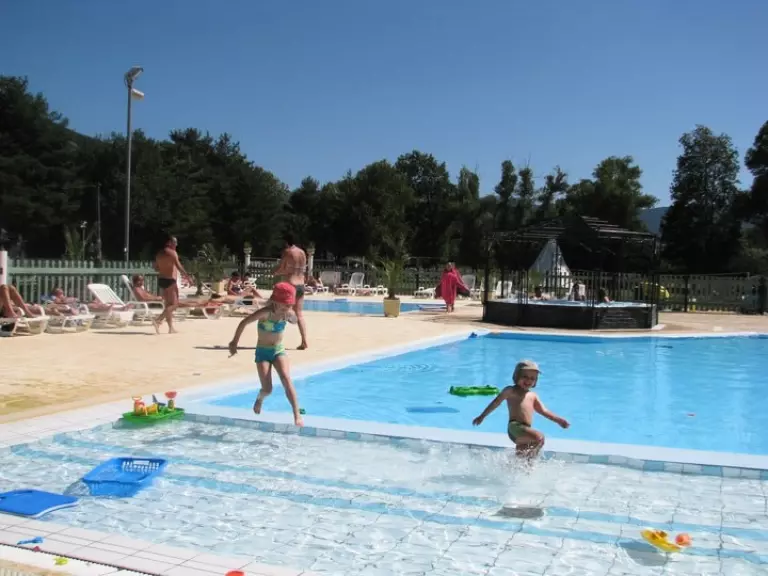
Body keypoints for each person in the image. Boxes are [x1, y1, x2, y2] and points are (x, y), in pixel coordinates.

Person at [228, 282, 303, 427]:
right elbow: (243, 323)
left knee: (286, 379)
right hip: (263, 352)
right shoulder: (265, 313)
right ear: (275, 301)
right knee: (267, 389)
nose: (287, 308)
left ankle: (297, 415)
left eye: (290, 305)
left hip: (278, 350)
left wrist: (292, 317)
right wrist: (234, 342)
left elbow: (295, 320)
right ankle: (260, 399)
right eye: (285, 305)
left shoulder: (287, 313)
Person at [472, 360, 569, 458]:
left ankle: (522, 466)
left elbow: (544, 411)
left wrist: (559, 420)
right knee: (539, 438)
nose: (528, 380)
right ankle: (529, 462)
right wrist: (482, 416)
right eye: (525, 377)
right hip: (515, 427)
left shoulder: (533, 396)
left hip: (525, 430)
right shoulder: (510, 390)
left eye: (532, 378)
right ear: (517, 376)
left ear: (535, 381)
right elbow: (496, 402)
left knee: (523, 455)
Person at [274, 233, 308, 349]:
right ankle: (304, 341)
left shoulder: (288, 252)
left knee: (280, 311)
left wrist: (275, 273)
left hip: (290, 284)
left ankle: (276, 340)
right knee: (299, 314)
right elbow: (302, 269)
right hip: (301, 284)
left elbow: (282, 268)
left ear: (286, 242)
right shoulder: (302, 252)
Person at [153, 234, 188, 334]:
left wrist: (165, 267)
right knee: (174, 305)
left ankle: (171, 328)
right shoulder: (173, 253)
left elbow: (156, 268)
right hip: (170, 280)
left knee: (168, 305)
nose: (176, 244)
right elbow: (179, 266)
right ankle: (158, 320)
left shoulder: (159, 254)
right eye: (174, 242)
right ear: (168, 242)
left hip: (162, 280)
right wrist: (188, 277)